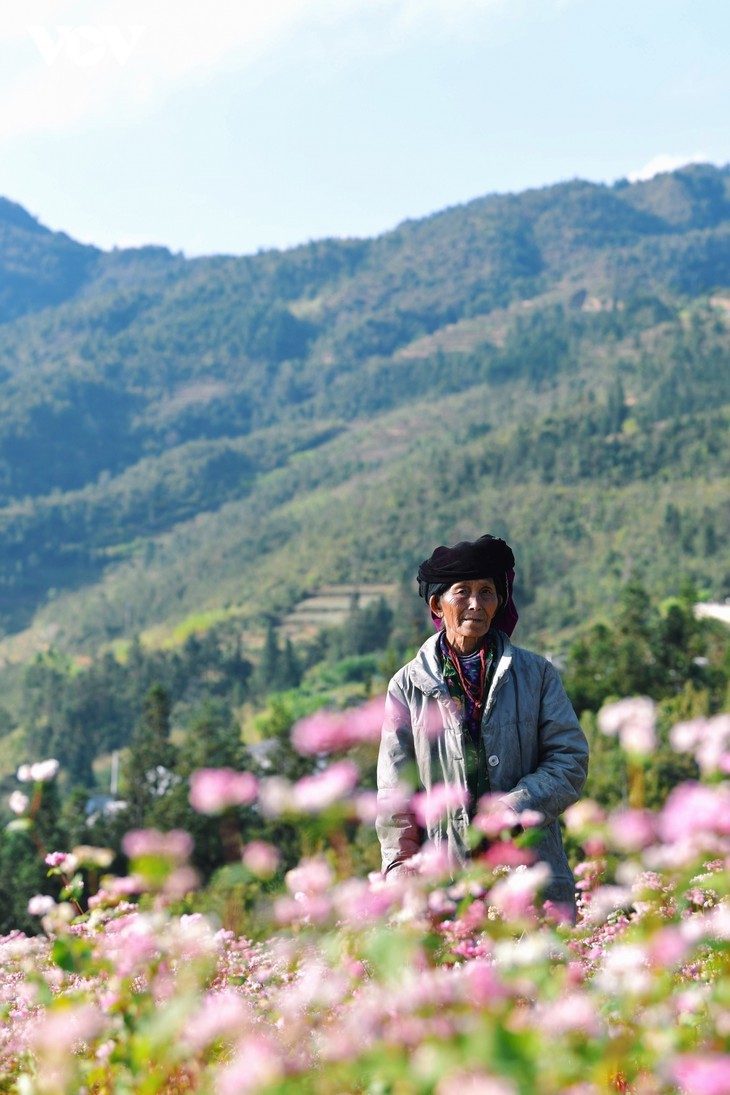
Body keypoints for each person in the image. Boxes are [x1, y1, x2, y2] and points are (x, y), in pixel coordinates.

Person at [376, 533, 589, 916]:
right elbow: (396, 791)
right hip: (446, 884)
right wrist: (399, 867)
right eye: (462, 592)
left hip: (529, 874)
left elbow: (570, 761)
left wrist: (514, 806)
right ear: (436, 605)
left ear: (499, 602)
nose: (476, 604)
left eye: (487, 592)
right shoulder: (407, 687)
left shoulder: (536, 675)